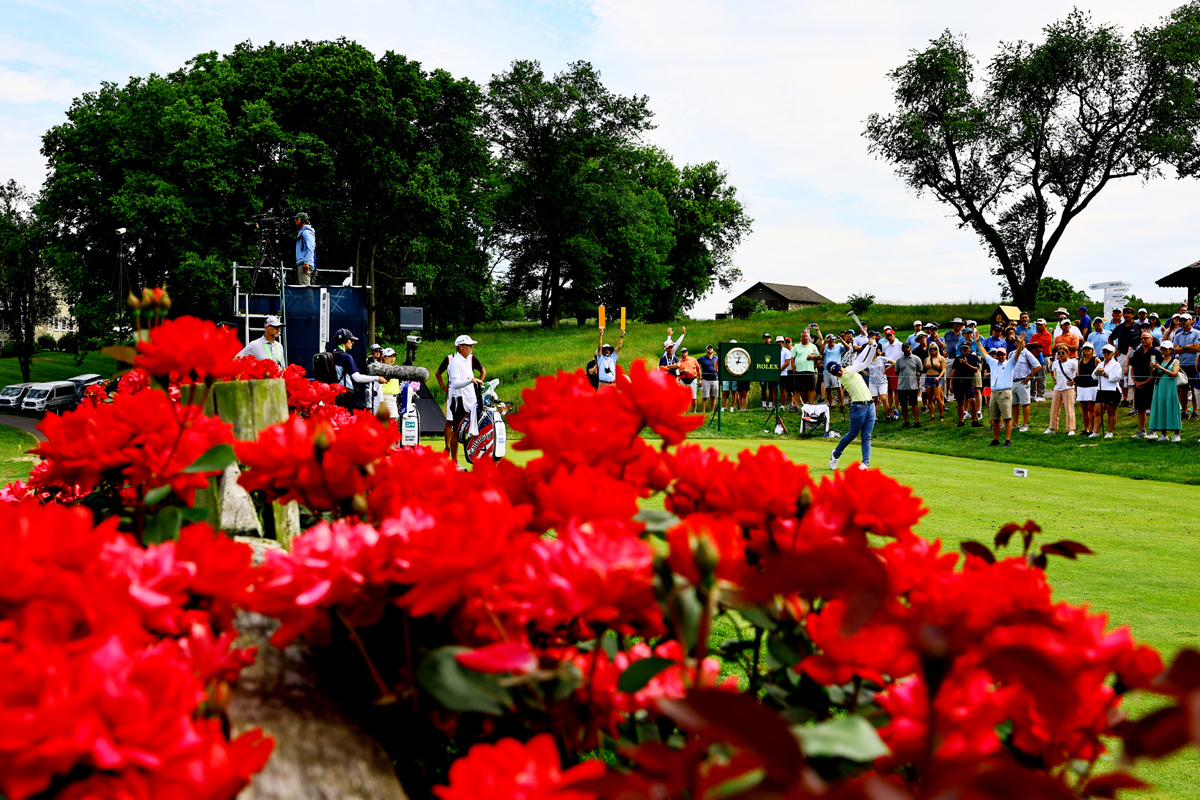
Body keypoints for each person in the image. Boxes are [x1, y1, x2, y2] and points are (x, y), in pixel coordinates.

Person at [827, 344, 877, 470]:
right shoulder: (846, 375)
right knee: (852, 434)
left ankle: (865, 463)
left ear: (840, 366)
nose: (840, 371)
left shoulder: (848, 369)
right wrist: (869, 346)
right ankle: (836, 454)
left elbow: (866, 363)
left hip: (870, 405)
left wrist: (873, 349)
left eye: (839, 369)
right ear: (836, 375)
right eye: (837, 372)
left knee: (867, 436)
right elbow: (859, 360)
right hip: (858, 408)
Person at [437, 336, 486, 459]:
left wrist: (474, 382)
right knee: (457, 430)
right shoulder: (455, 362)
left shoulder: (467, 359)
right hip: (459, 400)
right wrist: (471, 381)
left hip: (470, 399)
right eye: (469, 345)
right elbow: (456, 384)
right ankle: (454, 462)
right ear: (460, 347)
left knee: (470, 429)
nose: (472, 347)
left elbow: (480, 373)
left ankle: (473, 457)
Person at [980, 339, 1022, 446]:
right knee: (995, 418)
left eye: (1002, 354)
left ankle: (1008, 440)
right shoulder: (993, 362)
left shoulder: (1009, 364)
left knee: (1007, 418)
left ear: (1006, 355)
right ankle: (996, 439)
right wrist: (977, 342)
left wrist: (1020, 344)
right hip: (994, 393)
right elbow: (984, 353)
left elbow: (1017, 355)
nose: (1000, 356)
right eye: (998, 354)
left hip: (1005, 393)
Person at [331, 328, 385, 411]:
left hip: (333, 395)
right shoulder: (346, 357)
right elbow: (357, 378)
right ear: (345, 340)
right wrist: (377, 378)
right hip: (345, 396)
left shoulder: (331, 355)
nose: (353, 342)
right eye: (351, 340)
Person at [1127, 331, 1162, 438]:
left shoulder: (1155, 353)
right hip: (1138, 383)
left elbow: (1155, 371)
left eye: (1146, 338)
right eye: (1142, 339)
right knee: (1140, 408)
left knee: (1152, 407)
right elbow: (1132, 368)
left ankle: (1153, 430)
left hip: (1151, 384)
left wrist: (1145, 382)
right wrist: (1135, 381)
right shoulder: (1137, 352)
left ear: (1151, 339)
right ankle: (1141, 430)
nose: (1143, 340)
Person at [1147, 340, 1183, 441]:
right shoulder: (1159, 361)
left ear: (1171, 350)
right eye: (1162, 349)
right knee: (1161, 408)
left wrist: (1161, 368)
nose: (1164, 351)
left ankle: (1177, 434)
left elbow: (1174, 374)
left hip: (1170, 386)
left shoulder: (1175, 361)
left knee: (1172, 407)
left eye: (1166, 349)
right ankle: (1164, 434)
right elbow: (1153, 376)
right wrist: (1152, 368)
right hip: (1159, 386)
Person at [1044, 346, 1078, 435]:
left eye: (1063, 353)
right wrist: (1054, 379)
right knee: (1054, 408)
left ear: (1067, 353)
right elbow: (1052, 370)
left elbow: (1079, 372)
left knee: (1069, 408)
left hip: (1068, 388)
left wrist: (1074, 380)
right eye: (1059, 353)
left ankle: (1071, 429)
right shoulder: (1055, 363)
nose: (1061, 355)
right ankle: (1052, 427)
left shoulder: (1072, 363)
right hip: (1058, 388)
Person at [1172, 312, 1200, 420]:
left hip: (1193, 364)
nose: (1183, 322)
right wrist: (1186, 347)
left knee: (1194, 389)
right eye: (1181, 320)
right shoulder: (1178, 335)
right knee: (1182, 389)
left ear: (1191, 321)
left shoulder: (1197, 333)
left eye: (1185, 320)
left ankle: (1195, 411)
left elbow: (1196, 348)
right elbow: (1174, 350)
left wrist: (1181, 348)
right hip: (1182, 364)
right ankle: (1184, 411)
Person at [1011, 338, 1041, 432]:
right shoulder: (1011, 353)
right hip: (1012, 381)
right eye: (1017, 341)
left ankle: (1025, 424)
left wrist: (1030, 376)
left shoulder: (1027, 353)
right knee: (1014, 404)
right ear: (1015, 343)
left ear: (1024, 343)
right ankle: (1015, 423)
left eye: (1021, 341)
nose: (1019, 343)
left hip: (1022, 381)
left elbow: (1038, 366)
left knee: (1025, 403)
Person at [1093, 345, 1123, 438]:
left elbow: (1116, 377)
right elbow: (1093, 376)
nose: (1106, 354)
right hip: (1101, 390)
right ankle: (1095, 432)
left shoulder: (1116, 364)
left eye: (1108, 352)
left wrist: (1104, 374)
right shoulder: (1100, 364)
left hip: (1112, 390)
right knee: (1098, 412)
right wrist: (1097, 373)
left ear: (1113, 353)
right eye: (1104, 352)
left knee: (1111, 411)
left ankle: (1110, 432)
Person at [950, 341, 982, 427]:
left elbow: (975, 369)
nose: (964, 350)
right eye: (963, 348)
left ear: (970, 348)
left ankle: (974, 421)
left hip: (968, 382)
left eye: (966, 348)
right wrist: (951, 384)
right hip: (958, 382)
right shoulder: (957, 358)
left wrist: (966, 364)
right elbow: (954, 371)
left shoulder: (974, 358)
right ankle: (961, 421)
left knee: (972, 400)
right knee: (960, 401)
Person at [895, 342, 923, 428]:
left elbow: (920, 370)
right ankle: (906, 421)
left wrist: (918, 373)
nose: (905, 349)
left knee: (914, 404)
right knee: (903, 405)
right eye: (904, 348)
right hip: (902, 386)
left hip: (913, 386)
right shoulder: (899, 360)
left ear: (910, 348)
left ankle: (916, 421)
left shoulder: (916, 358)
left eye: (907, 347)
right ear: (902, 349)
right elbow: (897, 372)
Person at [1075, 342, 1100, 438]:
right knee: (1084, 409)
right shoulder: (1081, 361)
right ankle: (1086, 429)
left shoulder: (1096, 360)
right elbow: (1079, 373)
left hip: (1092, 386)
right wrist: (1076, 385)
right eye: (1085, 349)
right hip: (1082, 386)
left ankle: (1093, 429)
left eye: (1089, 349)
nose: (1087, 350)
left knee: (1091, 408)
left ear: (1092, 350)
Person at [791, 329, 821, 405]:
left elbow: (819, 356)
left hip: (810, 370)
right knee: (797, 389)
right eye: (803, 336)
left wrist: (813, 356)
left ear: (809, 337)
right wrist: (794, 369)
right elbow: (792, 358)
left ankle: (810, 405)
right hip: (799, 371)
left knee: (811, 388)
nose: (805, 337)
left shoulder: (813, 346)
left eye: (806, 336)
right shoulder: (797, 346)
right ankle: (796, 405)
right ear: (801, 337)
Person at [867, 339, 893, 420]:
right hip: (872, 382)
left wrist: (887, 369)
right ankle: (875, 417)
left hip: (882, 382)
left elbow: (894, 362)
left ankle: (888, 415)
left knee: (884, 399)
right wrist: (865, 373)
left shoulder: (881, 358)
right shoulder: (867, 361)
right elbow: (858, 366)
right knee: (874, 400)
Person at [1029, 319, 1053, 401]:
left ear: (1045, 325)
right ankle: (1033, 394)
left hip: (1043, 357)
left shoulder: (1047, 335)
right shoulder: (1034, 335)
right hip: (1034, 357)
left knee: (1041, 376)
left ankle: (1041, 395)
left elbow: (1038, 344)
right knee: (1033, 376)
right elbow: (1030, 345)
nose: (1038, 326)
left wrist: (1034, 344)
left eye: (1040, 324)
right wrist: (1033, 344)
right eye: (1037, 325)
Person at [822, 333, 848, 406]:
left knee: (839, 388)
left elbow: (847, 348)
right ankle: (831, 404)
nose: (831, 340)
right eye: (830, 339)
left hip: (836, 370)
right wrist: (825, 342)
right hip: (827, 371)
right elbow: (821, 352)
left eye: (833, 339)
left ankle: (842, 405)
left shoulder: (839, 346)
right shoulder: (825, 347)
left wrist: (842, 340)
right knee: (828, 389)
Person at [923, 343, 946, 422]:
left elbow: (943, 370)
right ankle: (932, 416)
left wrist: (939, 377)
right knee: (929, 399)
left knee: (938, 397)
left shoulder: (941, 358)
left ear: (937, 349)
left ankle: (941, 415)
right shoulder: (927, 359)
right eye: (931, 349)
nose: (933, 350)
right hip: (928, 378)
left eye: (935, 349)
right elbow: (923, 369)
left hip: (937, 378)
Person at [677, 346, 702, 412]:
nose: (684, 352)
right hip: (683, 380)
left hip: (692, 379)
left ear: (687, 352)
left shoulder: (693, 359)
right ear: (681, 353)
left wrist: (700, 379)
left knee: (693, 397)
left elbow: (698, 368)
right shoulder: (679, 361)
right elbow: (677, 372)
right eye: (683, 352)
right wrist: (683, 371)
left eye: (685, 351)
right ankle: (684, 411)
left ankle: (694, 411)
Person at [380, 347, 402, 419]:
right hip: (385, 397)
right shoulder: (383, 368)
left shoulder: (394, 368)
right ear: (384, 357)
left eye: (394, 356)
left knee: (393, 422)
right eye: (390, 356)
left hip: (393, 399)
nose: (392, 359)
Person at [294, 212, 316, 285]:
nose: (295, 221)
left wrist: (306, 262)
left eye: (297, 219)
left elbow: (311, 247)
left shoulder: (306, 232)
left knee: (305, 289)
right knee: (302, 289)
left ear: (302, 220)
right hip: (302, 263)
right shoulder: (302, 232)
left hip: (305, 263)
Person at [697, 345, 719, 413]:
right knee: (704, 397)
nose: (710, 349)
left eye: (711, 348)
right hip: (705, 380)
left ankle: (712, 412)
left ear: (713, 350)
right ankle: (703, 412)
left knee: (713, 397)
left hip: (715, 379)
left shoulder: (717, 358)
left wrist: (719, 375)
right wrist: (700, 378)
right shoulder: (702, 358)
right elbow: (697, 367)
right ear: (706, 351)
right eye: (708, 348)